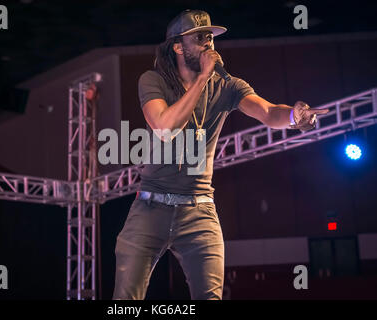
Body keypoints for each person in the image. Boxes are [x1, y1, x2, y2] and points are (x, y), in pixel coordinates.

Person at [113, 9, 328, 300]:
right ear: (178, 46)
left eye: (211, 37)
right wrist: (202, 78)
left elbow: (266, 111)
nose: (209, 43)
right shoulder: (153, 80)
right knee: (125, 300)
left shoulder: (227, 86)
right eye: (200, 37)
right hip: (150, 207)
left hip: (199, 212)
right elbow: (164, 126)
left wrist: (293, 115)